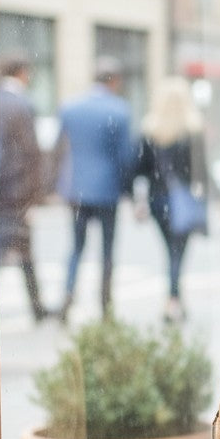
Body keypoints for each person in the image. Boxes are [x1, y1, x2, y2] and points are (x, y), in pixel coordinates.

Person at [55, 56, 135, 322]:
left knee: (76, 247)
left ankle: (68, 296)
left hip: (76, 188)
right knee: (107, 250)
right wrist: (129, 190)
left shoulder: (70, 107)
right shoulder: (120, 110)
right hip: (107, 189)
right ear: (115, 80)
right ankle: (105, 304)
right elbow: (125, 157)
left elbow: (60, 147)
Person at [133, 75, 210, 324]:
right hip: (183, 201)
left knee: (170, 250)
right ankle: (174, 300)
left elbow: (139, 169)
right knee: (177, 252)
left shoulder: (150, 130)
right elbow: (201, 171)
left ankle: (174, 299)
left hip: (158, 200)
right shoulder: (192, 130)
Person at [0, 55, 48, 322]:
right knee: (24, 250)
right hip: (16, 191)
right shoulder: (22, 105)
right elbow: (31, 154)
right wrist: (36, 197)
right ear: (22, 73)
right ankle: (36, 306)